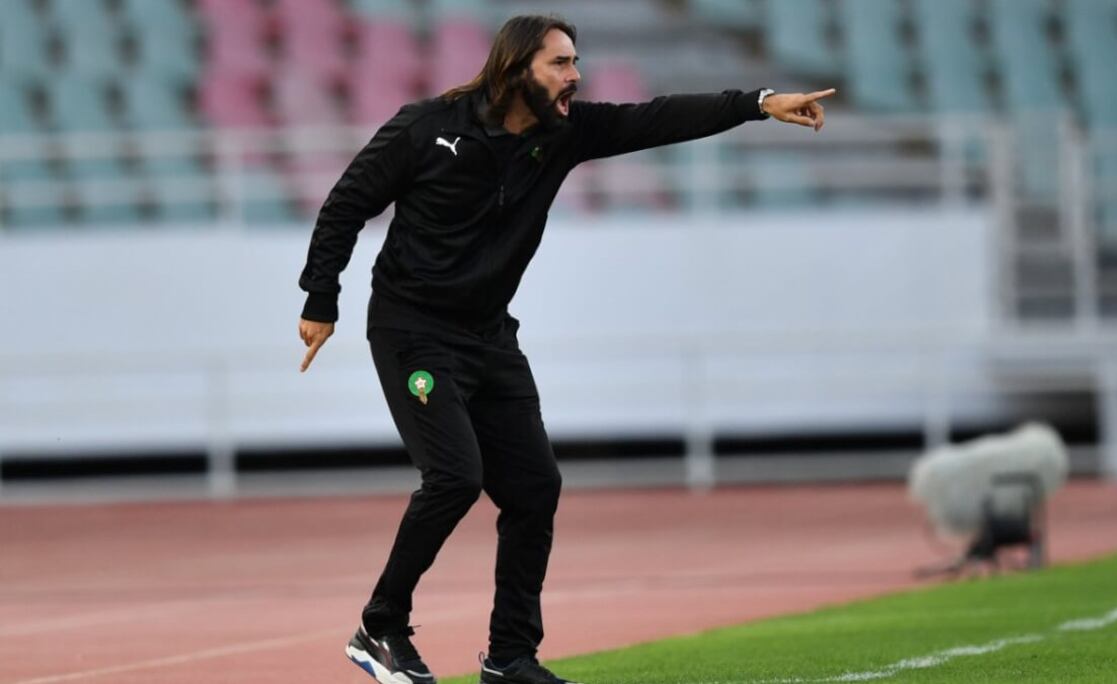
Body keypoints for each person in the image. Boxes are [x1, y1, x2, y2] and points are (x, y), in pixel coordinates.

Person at [296, 14, 834, 684]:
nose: (575, 76)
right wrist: (321, 300)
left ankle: (510, 657)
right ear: (516, 67)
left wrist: (756, 105)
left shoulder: (564, 134)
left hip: (489, 335)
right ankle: (379, 627)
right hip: (413, 331)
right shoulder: (427, 127)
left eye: (576, 62)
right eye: (560, 63)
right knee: (456, 477)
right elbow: (345, 204)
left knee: (534, 489)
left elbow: (658, 117)